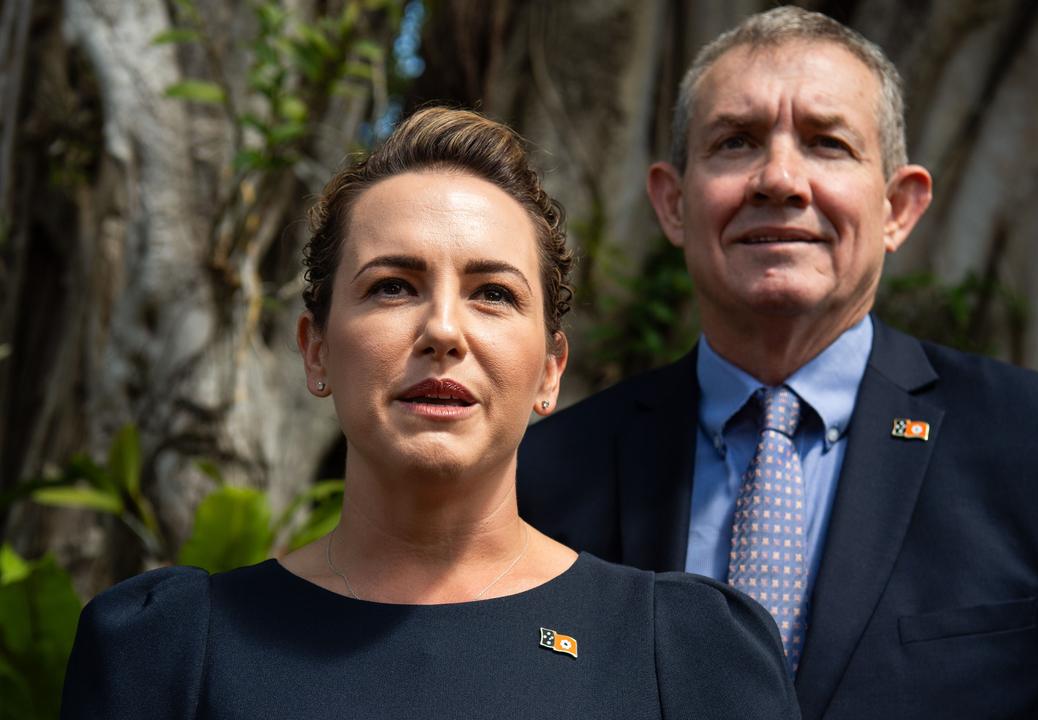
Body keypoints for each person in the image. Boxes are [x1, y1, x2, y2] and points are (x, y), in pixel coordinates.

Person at [518, 7, 1038, 719]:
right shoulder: (551, 474)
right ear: (671, 204)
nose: (779, 179)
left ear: (898, 209)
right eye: (735, 142)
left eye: (827, 144)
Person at [60, 107, 800, 720]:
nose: (444, 329)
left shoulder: (686, 653)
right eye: (392, 286)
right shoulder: (169, 653)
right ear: (315, 351)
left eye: (493, 293)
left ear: (550, 369)